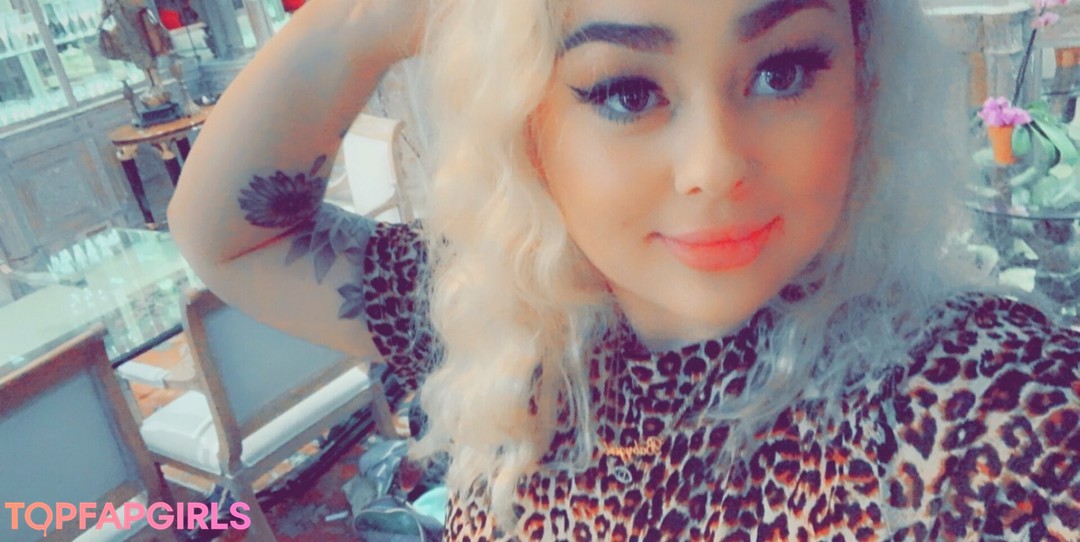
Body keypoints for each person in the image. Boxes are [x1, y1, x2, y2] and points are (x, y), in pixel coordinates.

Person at [168, 0, 1080, 539]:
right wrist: (369, 18)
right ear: (524, 121)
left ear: (866, 78)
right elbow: (230, 236)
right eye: (627, 90)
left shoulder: (990, 405)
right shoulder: (509, 327)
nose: (714, 166)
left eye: (783, 71)